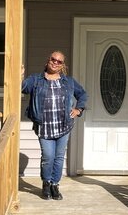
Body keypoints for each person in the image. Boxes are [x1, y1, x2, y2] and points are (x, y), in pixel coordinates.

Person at [21, 51, 88, 200]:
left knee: (59, 157)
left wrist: (78, 109)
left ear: (62, 65)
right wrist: (19, 76)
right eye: (53, 59)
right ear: (48, 60)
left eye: (59, 61)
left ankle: (54, 185)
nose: (55, 63)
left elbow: (82, 94)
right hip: (44, 126)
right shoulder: (36, 80)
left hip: (64, 125)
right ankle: (46, 183)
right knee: (48, 156)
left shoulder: (68, 82)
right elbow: (22, 88)